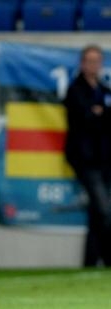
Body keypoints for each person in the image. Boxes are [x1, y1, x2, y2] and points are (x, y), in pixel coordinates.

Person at [64, 44, 111, 267]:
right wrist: (98, 114)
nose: (93, 65)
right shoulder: (75, 90)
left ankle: (91, 261)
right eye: (89, 61)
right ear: (82, 63)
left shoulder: (103, 89)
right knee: (104, 209)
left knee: (97, 212)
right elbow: (86, 119)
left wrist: (101, 114)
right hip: (85, 159)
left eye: (97, 61)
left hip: (104, 159)